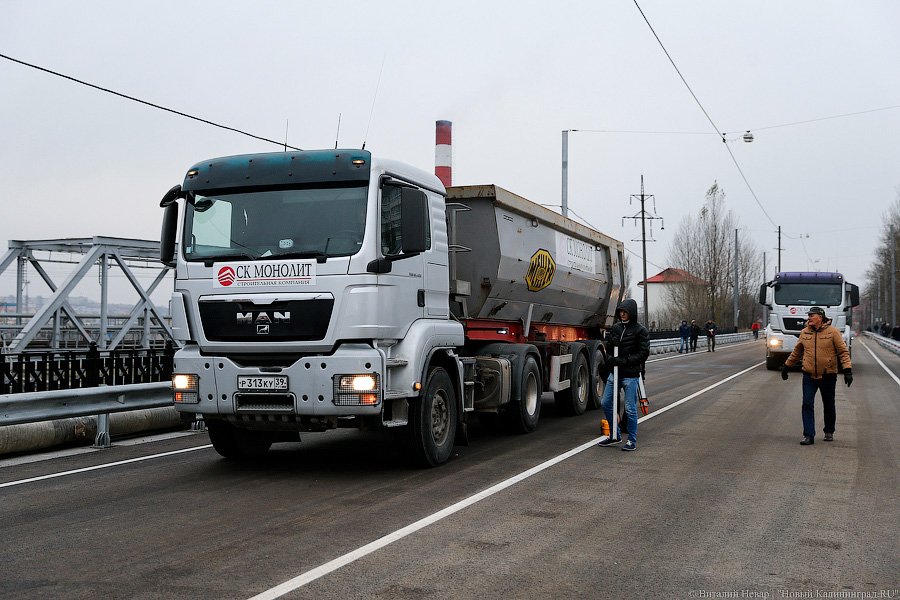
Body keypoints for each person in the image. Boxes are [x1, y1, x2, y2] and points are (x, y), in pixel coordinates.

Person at [780, 306, 852, 445]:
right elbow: (797, 352)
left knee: (829, 404)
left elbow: (843, 352)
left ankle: (829, 431)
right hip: (809, 375)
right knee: (807, 403)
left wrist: (847, 370)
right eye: (809, 316)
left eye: (812, 316)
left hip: (828, 375)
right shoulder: (804, 332)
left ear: (820, 317)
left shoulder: (833, 332)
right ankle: (808, 435)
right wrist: (787, 366)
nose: (809, 318)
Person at [597, 298, 650, 452]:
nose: (622, 314)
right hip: (615, 373)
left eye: (625, 311)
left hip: (631, 376)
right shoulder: (615, 328)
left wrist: (624, 360)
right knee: (606, 403)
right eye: (620, 311)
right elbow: (607, 348)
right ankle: (615, 435)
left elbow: (643, 354)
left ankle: (631, 440)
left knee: (630, 408)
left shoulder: (641, 331)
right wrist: (610, 344)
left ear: (631, 313)